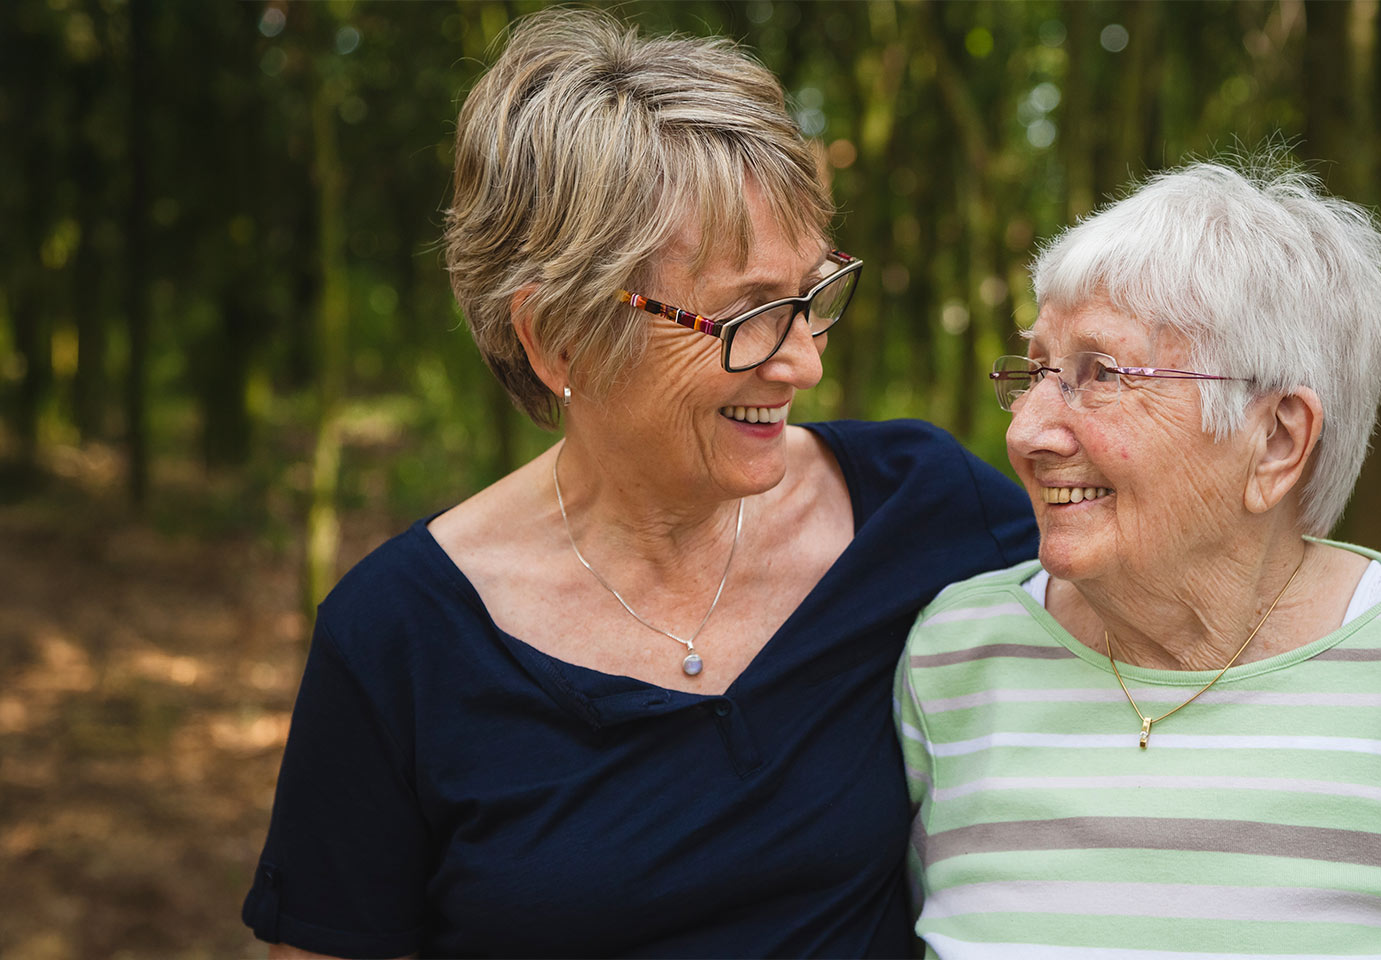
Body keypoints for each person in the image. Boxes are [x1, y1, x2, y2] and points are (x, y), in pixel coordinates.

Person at [242, 9, 1036, 958]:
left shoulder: (929, 511)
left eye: (813, 297)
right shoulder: (396, 639)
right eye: (747, 316)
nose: (804, 364)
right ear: (556, 336)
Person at [898, 158, 1381, 957]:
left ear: (1277, 439)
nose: (1025, 433)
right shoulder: (957, 657)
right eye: (1039, 370)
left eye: (1101, 374)